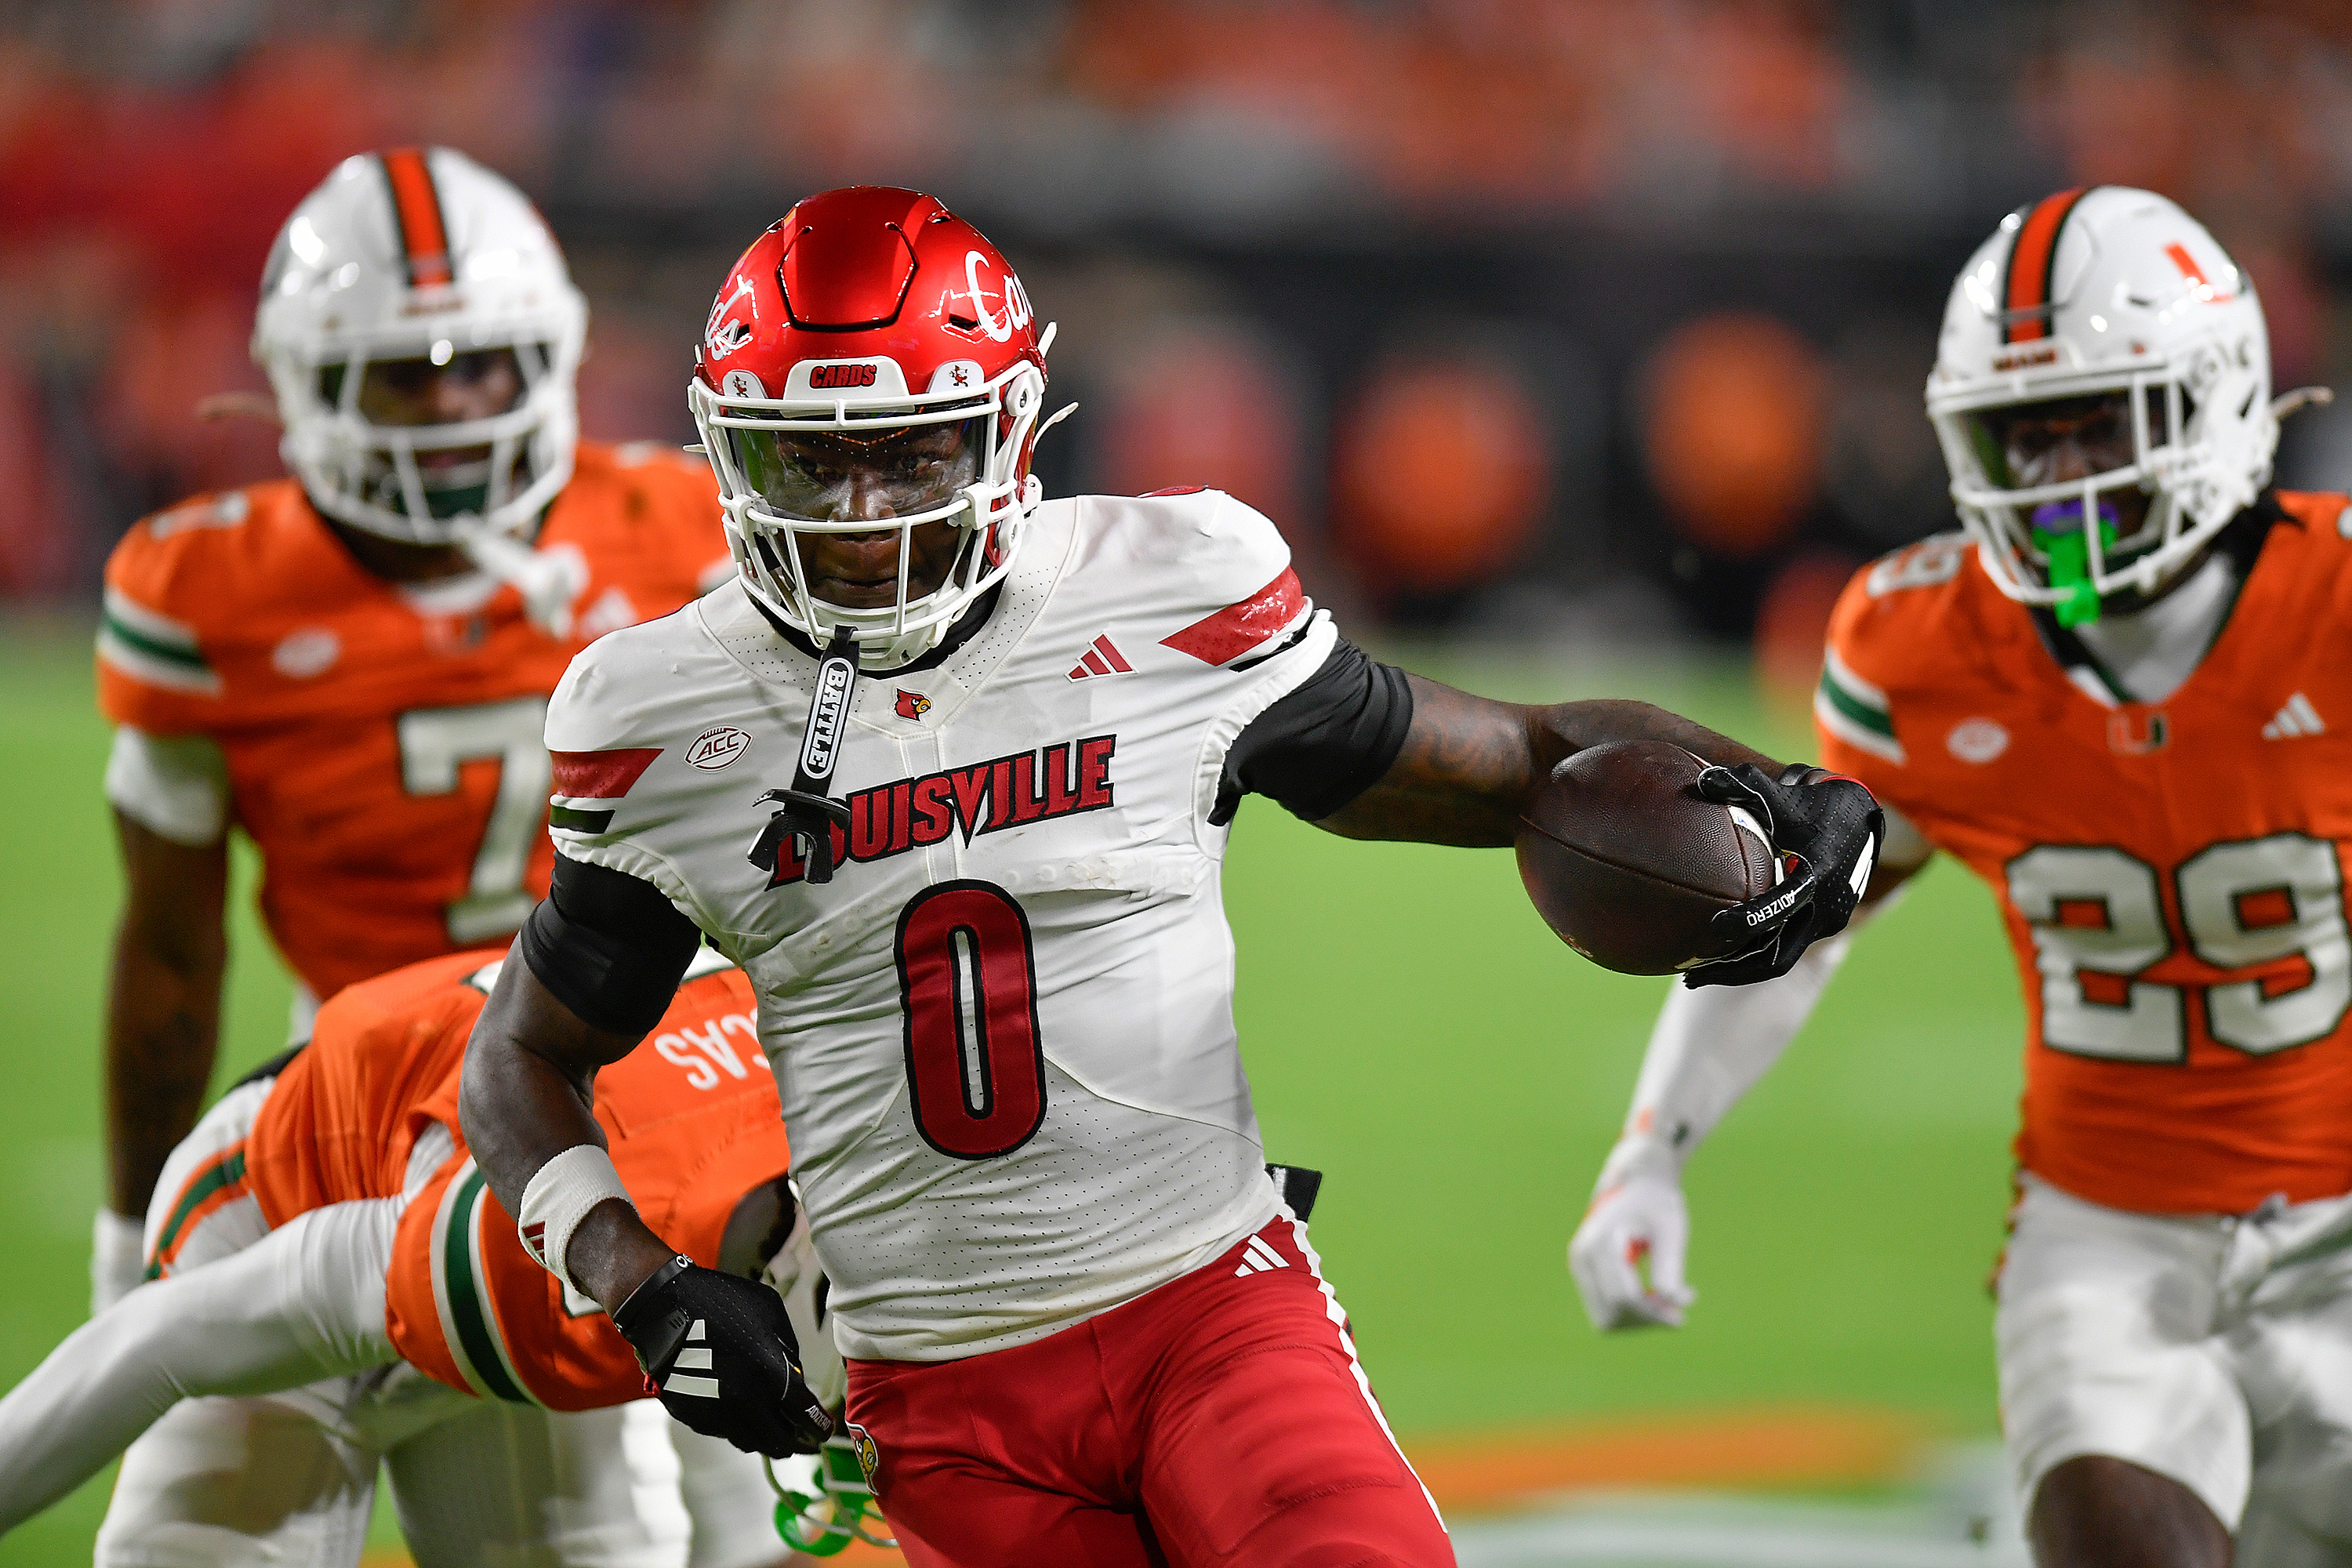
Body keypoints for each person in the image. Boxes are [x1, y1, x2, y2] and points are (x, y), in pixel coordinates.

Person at [455, 184, 1882, 1568]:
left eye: (914, 453)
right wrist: (638, 1285)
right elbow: (521, 1056)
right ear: (729, 455)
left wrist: (1762, 790)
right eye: (811, 462)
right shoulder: (663, 721)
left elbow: (1513, 760)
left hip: (1212, 1312)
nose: (864, 514)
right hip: (939, 1401)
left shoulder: (1165, 594)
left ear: (1010, 434)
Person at [1570, 186, 2352, 1568]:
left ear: (2217, 396)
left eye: (2097, 420)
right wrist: (1652, 1154)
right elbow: (1804, 919)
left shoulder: (2334, 608)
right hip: (2112, 1233)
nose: (2056, 476)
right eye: (2021, 433)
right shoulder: (1920, 644)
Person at [93, 144, 735, 1307]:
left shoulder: (682, 531)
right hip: (368, 1072)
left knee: (729, 1468)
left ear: (550, 355)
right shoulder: (209, 589)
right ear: (306, 380)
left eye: (483, 364)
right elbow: (172, 953)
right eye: (403, 372)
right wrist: (125, 1228)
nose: (449, 404)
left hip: (657, 1057)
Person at [0, 945, 825, 1567]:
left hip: (553, 1259)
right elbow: (167, 1340)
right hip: (290, 1204)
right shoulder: (552, 1249)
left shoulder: (853, 1099)